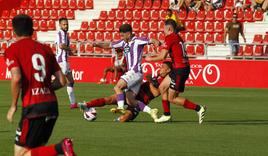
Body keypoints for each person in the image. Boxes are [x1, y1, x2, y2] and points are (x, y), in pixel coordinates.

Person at [5, 14, 75, 156]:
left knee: (21, 154)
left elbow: (16, 78)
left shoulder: (13, 49)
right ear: (33, 30)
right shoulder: (45, 49)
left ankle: (61, 147)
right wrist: (46, 89)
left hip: (33, 108)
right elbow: (62, 81)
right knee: (35, 152)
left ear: (14, 31)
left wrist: (13, 105)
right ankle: (62, 148)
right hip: (52, 105)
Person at [92, 23, 160, 121]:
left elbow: (151, 40)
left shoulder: (138, 41)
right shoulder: (123, 43)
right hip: (136, 75)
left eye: (123, 35)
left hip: (135, 71)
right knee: (130, 100)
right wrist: (98, 45)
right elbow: (110, 45)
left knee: (117, 87)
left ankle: (120, 107)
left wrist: (156, 42)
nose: (122, 37)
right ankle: (151, 111)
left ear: (128, 34)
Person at [145, 19, 206, 124]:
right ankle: (166, 115)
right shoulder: (176, 37)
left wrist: (149, 59)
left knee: (172, 98)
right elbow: (170, 51)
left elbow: (162, 56)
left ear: (169, 28)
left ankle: (198, 108)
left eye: (164, 28)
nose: (163, 30)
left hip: (180, 70)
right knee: (162, 87)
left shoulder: (170, 37)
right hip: (179, 68)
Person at [78, 61, 173, 122]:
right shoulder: (157, 76)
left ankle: (117, 119)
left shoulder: (166, 82)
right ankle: (87, 104)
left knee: (124, 118)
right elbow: (148, 78)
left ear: (168, 70)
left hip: (140, 101)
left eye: (163, 67)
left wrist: (150, 81)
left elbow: (156, 93)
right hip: (133, 93)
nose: (160, 68)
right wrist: (150, 80)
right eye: (161, 66)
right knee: (109, 99)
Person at [55, 18, 77, 109]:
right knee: (60, 81)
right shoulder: (61, 33)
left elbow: (62, 47)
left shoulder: (65, 34)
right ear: (60, 25)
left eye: (66, 24)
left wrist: (70, 52)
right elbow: (61, 45)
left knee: (70, 81)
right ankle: (44, 93)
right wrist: (71, 49)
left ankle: (73, 103)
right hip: (62, 61)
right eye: (64, 24)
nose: (66, 26)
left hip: (65, 60)